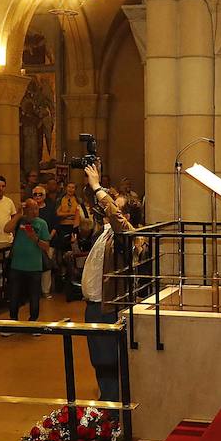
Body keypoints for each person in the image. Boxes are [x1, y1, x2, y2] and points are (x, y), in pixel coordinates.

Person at [80, 164, 136, 398]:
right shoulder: (106, 231)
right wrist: (93, 178)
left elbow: (113, 213)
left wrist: (97, 186)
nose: (109, 208)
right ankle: (107, 402)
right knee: (98, 360)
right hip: (93, 304)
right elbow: (98, 206)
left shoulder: (130, 234)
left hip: (108, 306)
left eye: (116, 206)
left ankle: (113, 414)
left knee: (108, 360)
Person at [5, 197, 51, 322]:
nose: (35, 211)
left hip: (34, 266)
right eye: (31, 209)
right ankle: (13, 320)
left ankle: (33, 321)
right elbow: (6, 229)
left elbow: (46, 246)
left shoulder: (42, 224)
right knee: (14, 295)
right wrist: (18, 214)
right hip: (17, 265)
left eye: (36, 208)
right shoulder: (20, 221)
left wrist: (35, 238)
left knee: (34, 296)